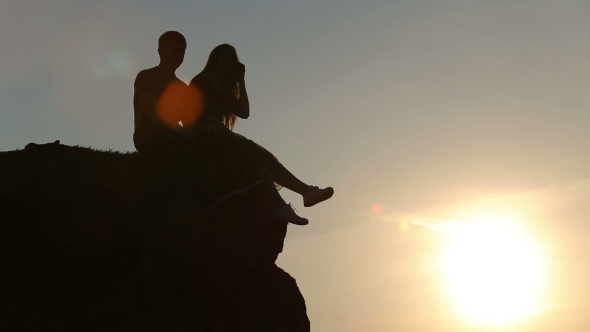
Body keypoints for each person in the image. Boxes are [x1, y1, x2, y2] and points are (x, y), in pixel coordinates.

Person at [187, 44, 334, 225]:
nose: (231, 60)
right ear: (215, 58)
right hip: (206, 134)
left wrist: (241, 80)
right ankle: (298, 196)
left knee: (259, 158)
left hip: (223, 134)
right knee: (252, 151)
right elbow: (193, 114)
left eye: (233, 57)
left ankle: (298, 197)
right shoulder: (200, 81)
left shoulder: (226, 88)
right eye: (226, 55)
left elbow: (244, 112)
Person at [133, 31, 196, 154]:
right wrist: (181, 131)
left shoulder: (183, 88)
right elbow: (150, 111)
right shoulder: (147, 76)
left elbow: (187, 121)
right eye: (172, 49)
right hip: (149, 135)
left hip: (175, 136)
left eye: (181, 51)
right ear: (160, 51)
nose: (177, 54)